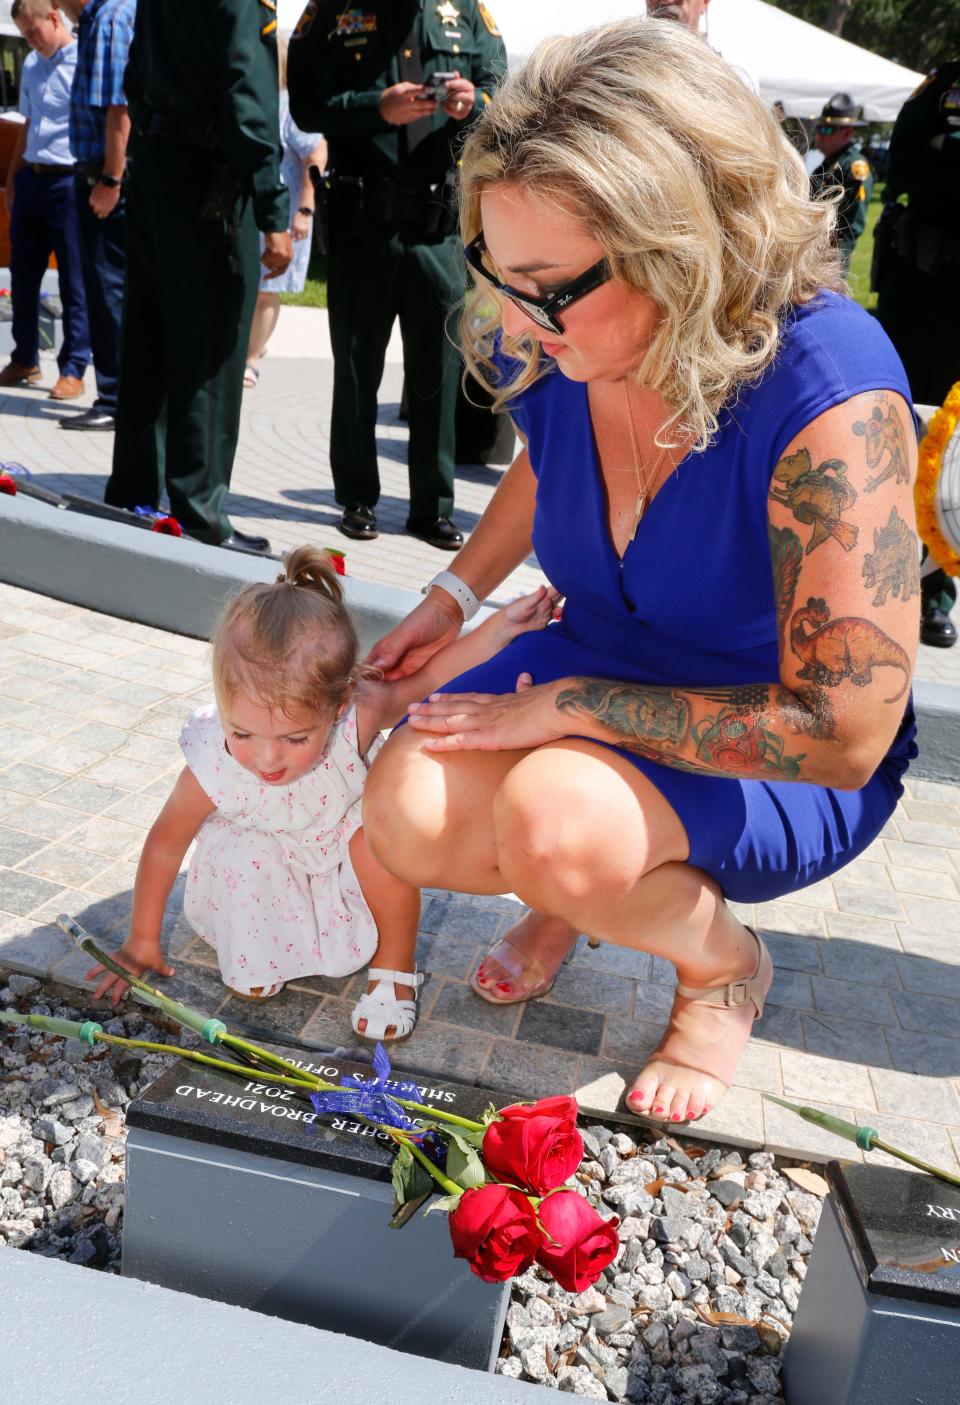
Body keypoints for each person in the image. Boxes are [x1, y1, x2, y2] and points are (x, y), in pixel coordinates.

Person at [362, 20, 919, 1126]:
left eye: (546, 288)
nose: (514, 319)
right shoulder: (555, 322)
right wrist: (451, 599)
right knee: (407, 809)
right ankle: (581, 885)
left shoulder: (832, 387)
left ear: (683, 247)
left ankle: (721, 971)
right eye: (496, 271)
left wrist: (568, 707)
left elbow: (845, 733)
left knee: (558, 825)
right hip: (599, 644)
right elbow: (549, 463)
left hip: (764, 724)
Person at [85, 545, 557, 1036]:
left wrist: (498, 631)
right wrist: (142, 940)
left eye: (295, 738)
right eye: (242, 733)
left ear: (337, 708)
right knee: (244, 854)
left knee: (377, 840)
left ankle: (394, 968)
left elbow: (431, 677)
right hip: (263, 872)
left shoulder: (360, 714)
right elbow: (165, 843)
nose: (266, 759)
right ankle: (266, 946)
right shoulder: (215, 762)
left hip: (339, 858)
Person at [287, 0, 507, 550]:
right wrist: (373, 108)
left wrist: (470, 103)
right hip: (365, 226)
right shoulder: (333, 11)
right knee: (357, 366)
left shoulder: (466, 11)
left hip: (438, 230)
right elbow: (307, 104)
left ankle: (432, 507)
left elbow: (501, 95)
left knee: (437, 368)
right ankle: (357, 498)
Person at [100, 0, 292, 555]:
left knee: (149, 343)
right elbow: (247, 94)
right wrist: (272, 208)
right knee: (211, 351)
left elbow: (136, 77)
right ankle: (201, 516)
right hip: (211, 181)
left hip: (157, 170)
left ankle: (133, 496)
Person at [875, 62, 960, 650]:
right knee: (895, 426)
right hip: (917, 289)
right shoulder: (936, 88)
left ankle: (936, 590)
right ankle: (885, 572)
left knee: (953, 442)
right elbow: (900, 168)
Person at [1, 0, 90, 402]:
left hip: (69, 182)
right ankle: (25, 357)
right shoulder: (34, 66)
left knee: (74, 278)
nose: (31, 42)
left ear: (54, 19)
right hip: (33, 179)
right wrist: (13, 176)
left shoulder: (83, 60)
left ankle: (73, 368)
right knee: (23, 274)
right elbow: (29, 123)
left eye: (33, 32)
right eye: (24, 35)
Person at [57, 0, 134, 433]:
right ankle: (117, 394)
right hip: (98, 176)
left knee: (110, 292)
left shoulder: (110, 18)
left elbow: (118, 109)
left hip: (108, 181)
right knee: (106, 290)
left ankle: (116, 397)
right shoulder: (96, 19)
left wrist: (110, 178)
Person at [244, 33, 327, 391]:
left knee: (268, 289)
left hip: (286, 215)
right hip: (252, 212)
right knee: (252, 286)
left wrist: (305, 210)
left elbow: (316, 153)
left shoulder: (288, 104)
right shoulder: (254, 98)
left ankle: (252, 358)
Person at [809, 93, 874, 274]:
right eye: (819, 128)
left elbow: (852, 226)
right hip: (811, 250)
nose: (820, 135)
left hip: (829, 257)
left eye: (827, 130)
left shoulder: (854, 166)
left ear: (847, 133)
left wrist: (833, 266)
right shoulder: (827, 164)